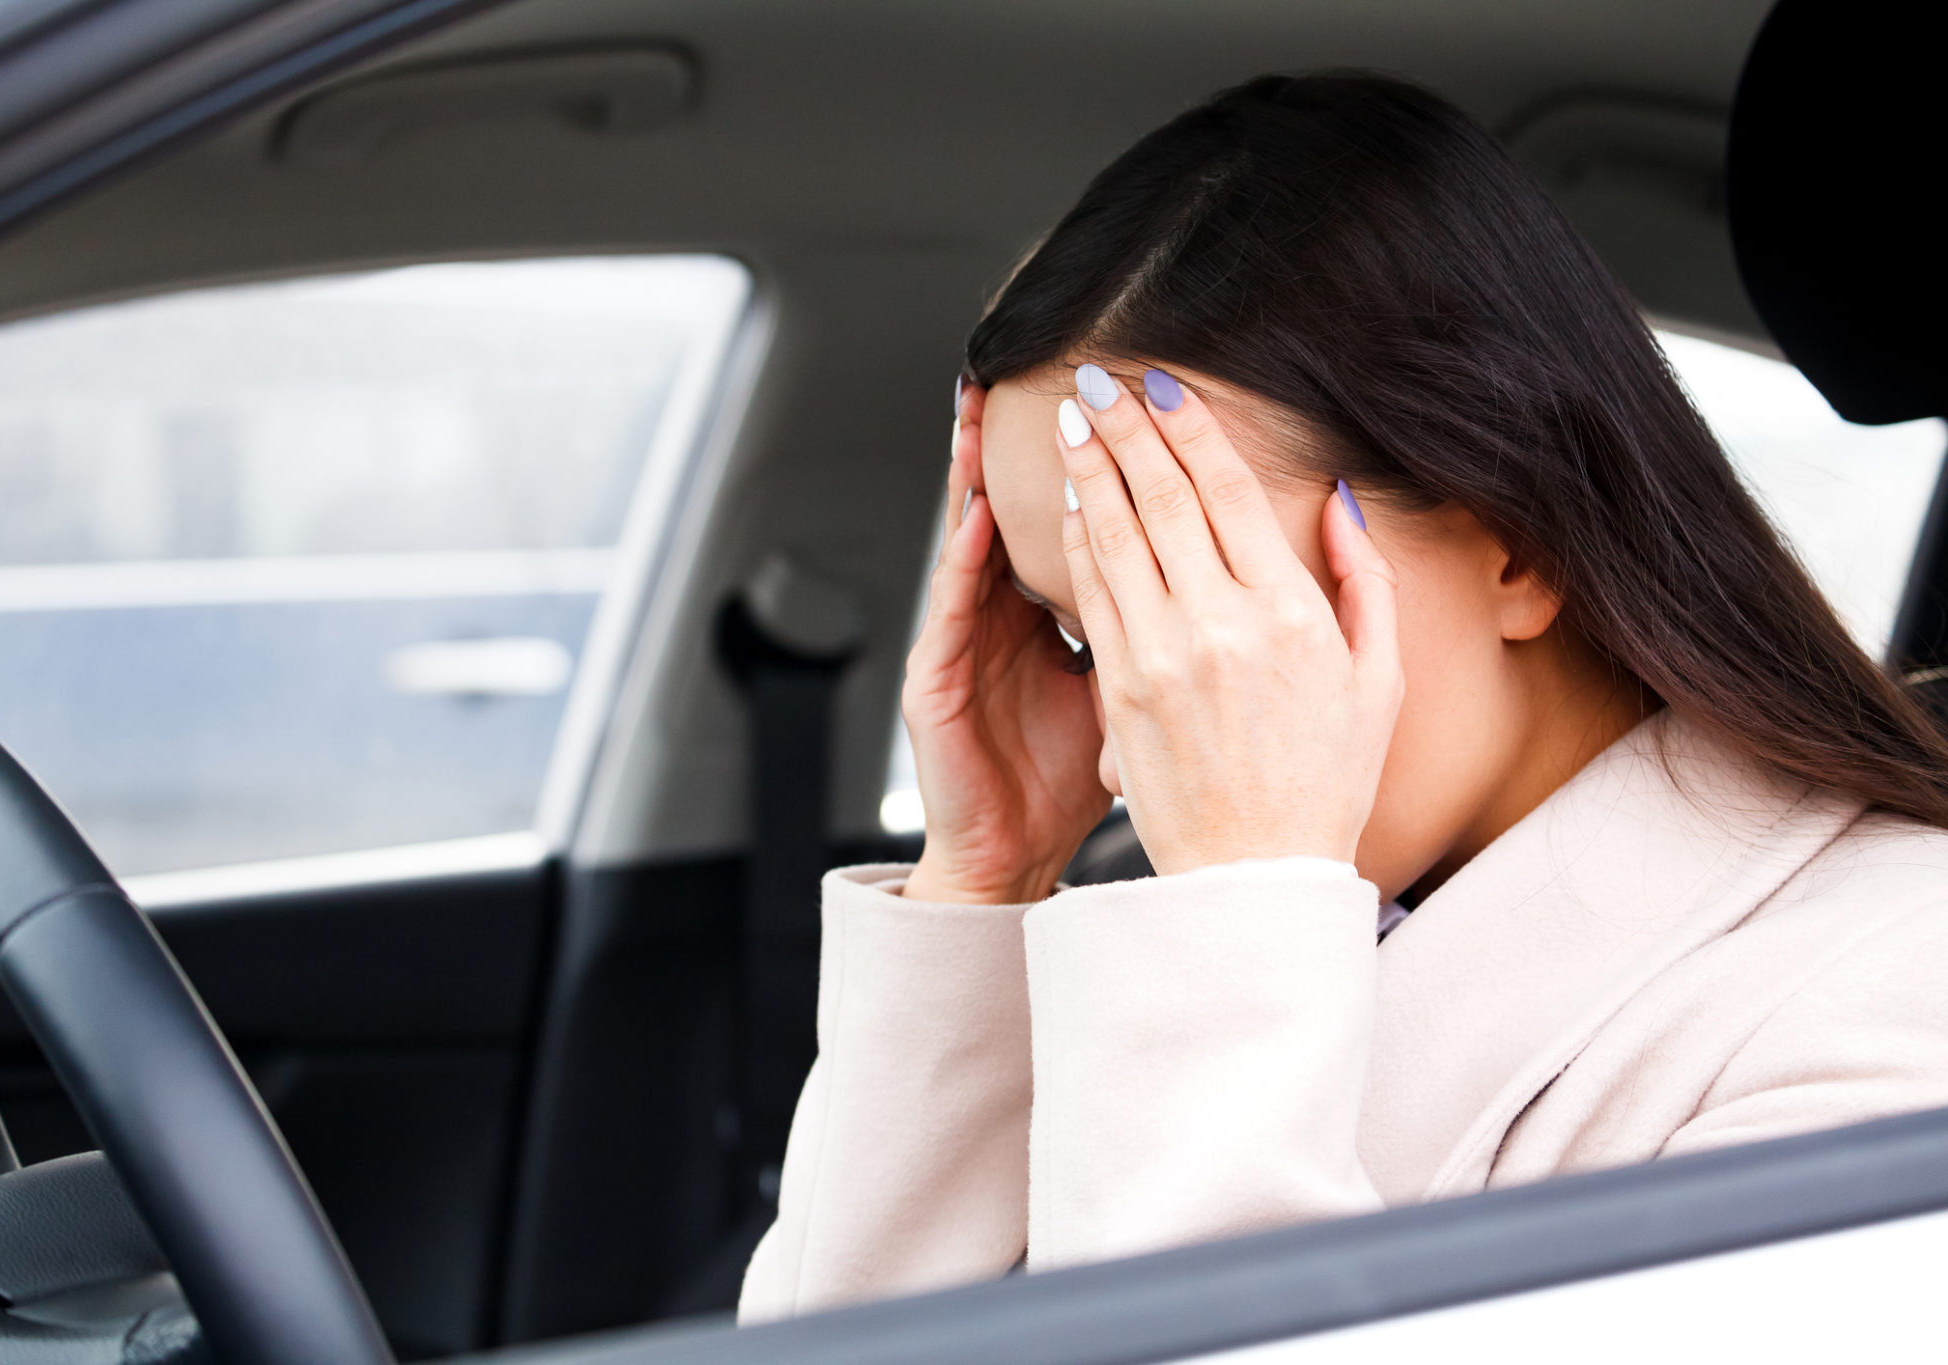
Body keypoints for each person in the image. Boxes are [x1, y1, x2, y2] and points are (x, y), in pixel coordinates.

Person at [738, 72, 1948, 1320]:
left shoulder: (1895, 992)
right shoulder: (1192, 943)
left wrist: (1227, 914)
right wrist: (980, 875)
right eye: (1084, 639)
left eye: (1204, 614)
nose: (1131, 753)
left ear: (1518, 545)